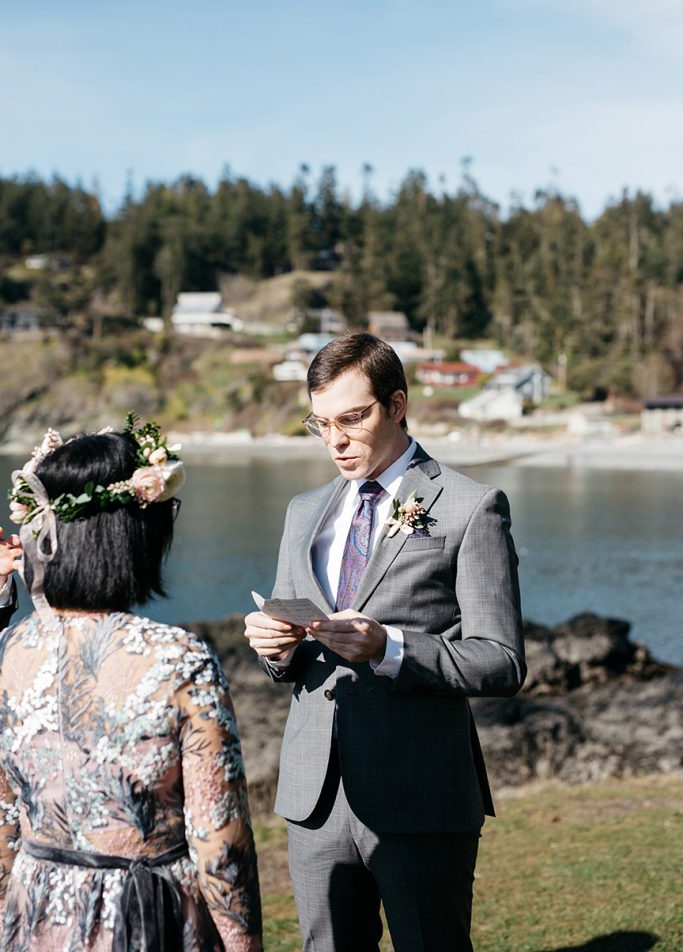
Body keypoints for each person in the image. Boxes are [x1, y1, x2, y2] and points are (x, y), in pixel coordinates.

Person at [244, 332, 525, 952]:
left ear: (397, 404)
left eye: (352, 418)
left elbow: (502, 662)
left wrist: (389, 648)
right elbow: (295, 656)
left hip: (420, 792)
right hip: (314, 796)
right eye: (320, 424)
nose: (335, 441)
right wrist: (275, 647)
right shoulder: (303, 510)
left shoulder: (472, 508)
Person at [0, 420, 262, 952]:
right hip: (146, 915)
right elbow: (220, 841)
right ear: (132, 534)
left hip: (35, 910)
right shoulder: (179, 660)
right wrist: (244, 945)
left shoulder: (10, 649)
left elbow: (5, 819)